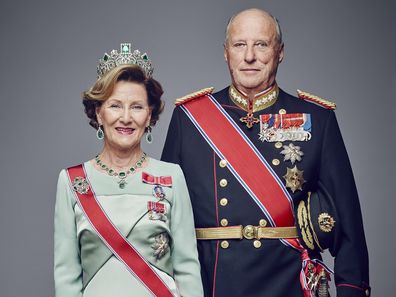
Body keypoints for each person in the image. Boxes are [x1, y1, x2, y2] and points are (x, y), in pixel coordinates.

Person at [162, 9, 370, 297]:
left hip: (288, 284)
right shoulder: (189, 118)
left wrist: (351, 291)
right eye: (239, 45)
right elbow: (164, 219)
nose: (249, 56)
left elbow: (349, 229)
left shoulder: (317, 118)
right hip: (212, 284)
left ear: (280, 52)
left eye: (261, 44)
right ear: (226, 53)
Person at [54, 43, 203, 297]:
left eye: (136, 106)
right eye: (115, 106)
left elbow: (187, 268)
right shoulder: (72, 181)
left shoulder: (172, 177)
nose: (126, 117)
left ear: (149, 116)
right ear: (99, 113)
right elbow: (66, 276)